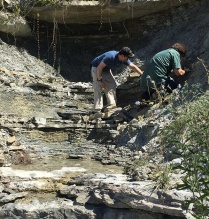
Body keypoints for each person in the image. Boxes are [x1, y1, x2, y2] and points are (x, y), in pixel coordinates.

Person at [91, 47, 143, 111]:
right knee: (98, 86)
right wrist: (100, 80)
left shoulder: (123, 59)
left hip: (106, 69)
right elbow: (99, 68)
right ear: (122, 56)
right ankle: (97, 109)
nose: (128, 59)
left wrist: (142, 74)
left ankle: (112, 104)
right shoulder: (110, 57)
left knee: (111, 84)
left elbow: (133, 67)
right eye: (127, 57)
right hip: (96, 68)